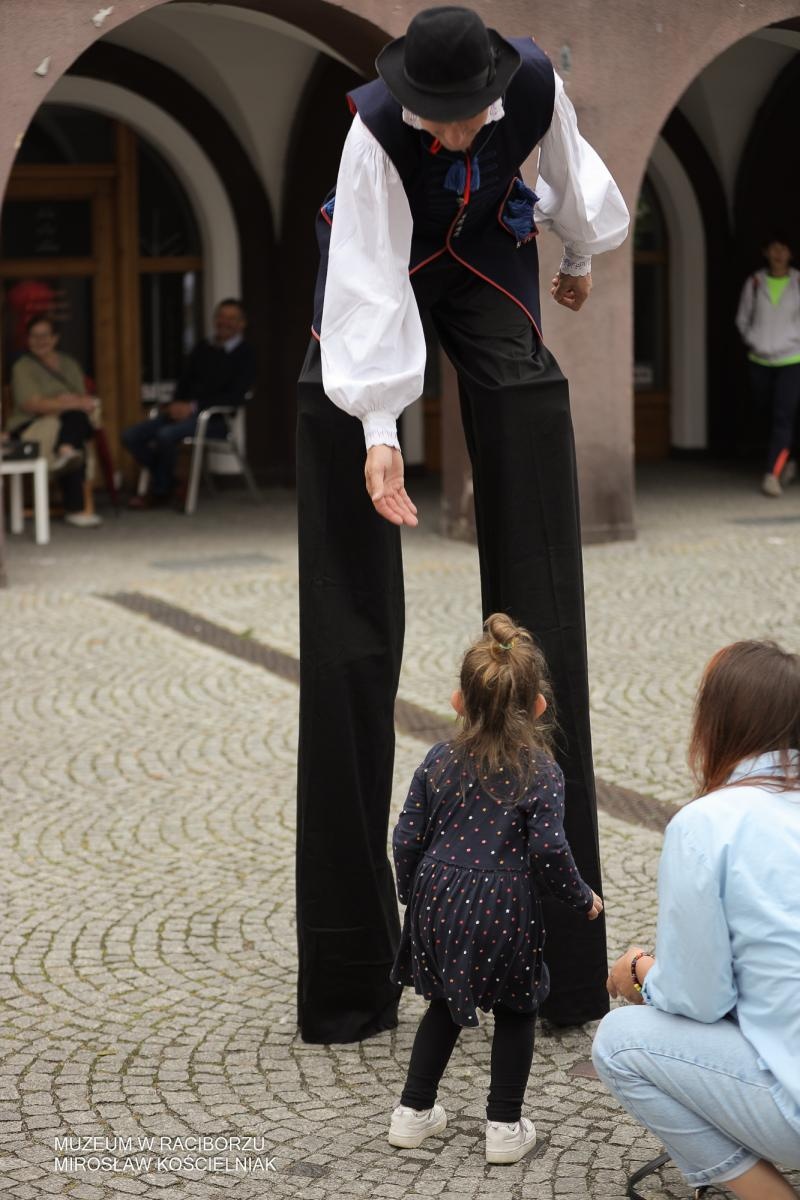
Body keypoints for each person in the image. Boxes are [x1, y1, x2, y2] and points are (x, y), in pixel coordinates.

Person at [296, 5, 629, 1042]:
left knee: (531, 403)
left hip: (485, 258)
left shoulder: (530, 84)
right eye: (431, 120)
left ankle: (561, 964)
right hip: (373, 290)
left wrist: (573, 256)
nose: (448, 134)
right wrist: (379, 432)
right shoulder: (370, 137)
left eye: (461, 118)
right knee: (347, 623)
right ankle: (351, 981)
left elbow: (572, 183)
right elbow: (368, 296)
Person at [387, 614, 603, 1163]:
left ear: (460, 701)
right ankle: (504, 1126)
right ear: (537, 706)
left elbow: (405, 837)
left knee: (440, 1004)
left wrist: (414, 895)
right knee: (516, 1008)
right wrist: (583, 899)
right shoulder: (543, 770)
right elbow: (550, 851)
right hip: (505, 906)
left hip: (438, 896)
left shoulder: (438, 759)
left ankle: (412, 1115)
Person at [592, 640, 800, 1200]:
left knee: (618, 1042)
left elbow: (701, 998)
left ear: (716, 724)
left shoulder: (707, 823)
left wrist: (639, 971)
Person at [122, 299, 256, 507]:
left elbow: (235, 396)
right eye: (221, 316)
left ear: (242, 324)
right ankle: (169, 482)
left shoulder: (246, 355)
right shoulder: (203, 347)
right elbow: (184, 381)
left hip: (214, 420)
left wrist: (193, 407)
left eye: (231, 318)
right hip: (182, 412)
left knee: (165, 435)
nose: (224, 322)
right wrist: (175, 404)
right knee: (131, 436)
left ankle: (160, 491)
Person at [9, 314, 102, 528]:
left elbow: (83, 399)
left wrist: (64, 403)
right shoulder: (23, 367)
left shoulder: (68, 363)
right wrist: (63, 402)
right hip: (32, 424)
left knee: (75, 421)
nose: (40, 340)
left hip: (70, 421)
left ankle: (66, 451)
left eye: (44, 335)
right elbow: (31, 404)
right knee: (70, 425)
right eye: (34, 336)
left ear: (55, 338)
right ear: (28, 339)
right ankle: (75, 505)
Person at [735, 234, 800, 497]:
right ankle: (788, 459)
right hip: (760, 359)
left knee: (782, 417)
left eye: (784, 248)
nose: (779, 253)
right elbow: (742, 318)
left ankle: (772, 475)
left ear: (790, 254)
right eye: (774, 248)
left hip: (792, 359)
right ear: (766, 252)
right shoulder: (755, 282)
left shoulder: (798, 282)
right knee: (766, 414)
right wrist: (754, 340)